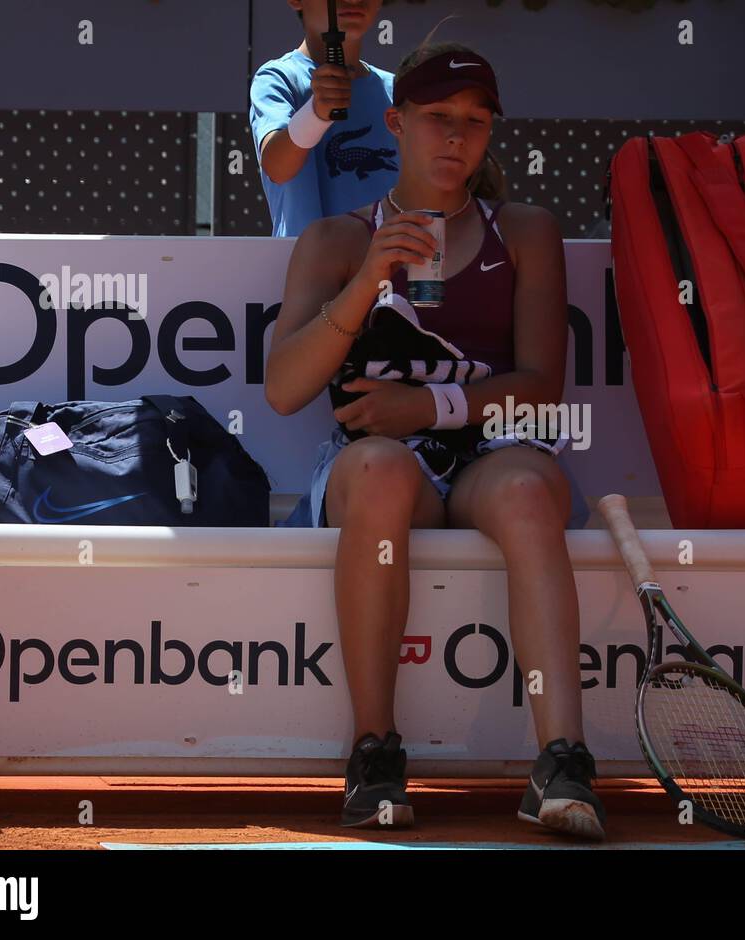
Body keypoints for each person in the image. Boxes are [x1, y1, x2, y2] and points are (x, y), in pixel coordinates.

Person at [264, 36, 605, 840]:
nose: (456, 138)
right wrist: (367, 281)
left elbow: (540, 386)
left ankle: (562, 761)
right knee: (378, 471)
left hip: (493, 454)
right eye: (437, 118)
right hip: (380, 469)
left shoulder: (524, 229)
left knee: (525, 490)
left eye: (475, 123)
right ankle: (375, 752)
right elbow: (284, 389)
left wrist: (430, 408)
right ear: (397, 123)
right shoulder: (337, 240)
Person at [250, 0, 398, 235]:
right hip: (305, 270)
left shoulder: (400, 91)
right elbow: (276, 167)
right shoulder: (278, 78)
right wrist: (315, 114)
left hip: (392, 269)